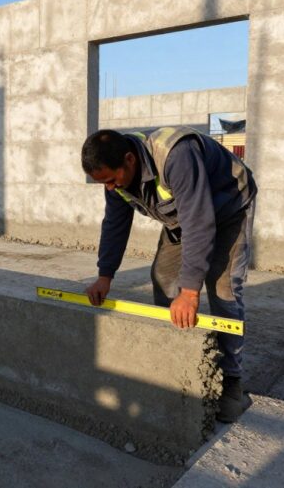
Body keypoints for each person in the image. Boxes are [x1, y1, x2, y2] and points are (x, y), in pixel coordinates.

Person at [81, 127, 257, 422]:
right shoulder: (116, 180)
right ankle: (179, 354)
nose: (109, 188)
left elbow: (199, 223)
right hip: (182, 218)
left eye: (111, 180)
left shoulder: (177, 155)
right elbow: (114, 224)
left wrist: (190, 292)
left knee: (223, 288)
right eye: (103, 183)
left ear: (129, 159)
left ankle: (231, 383)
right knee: (163, 278)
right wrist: (105, 275)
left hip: (229, 207)